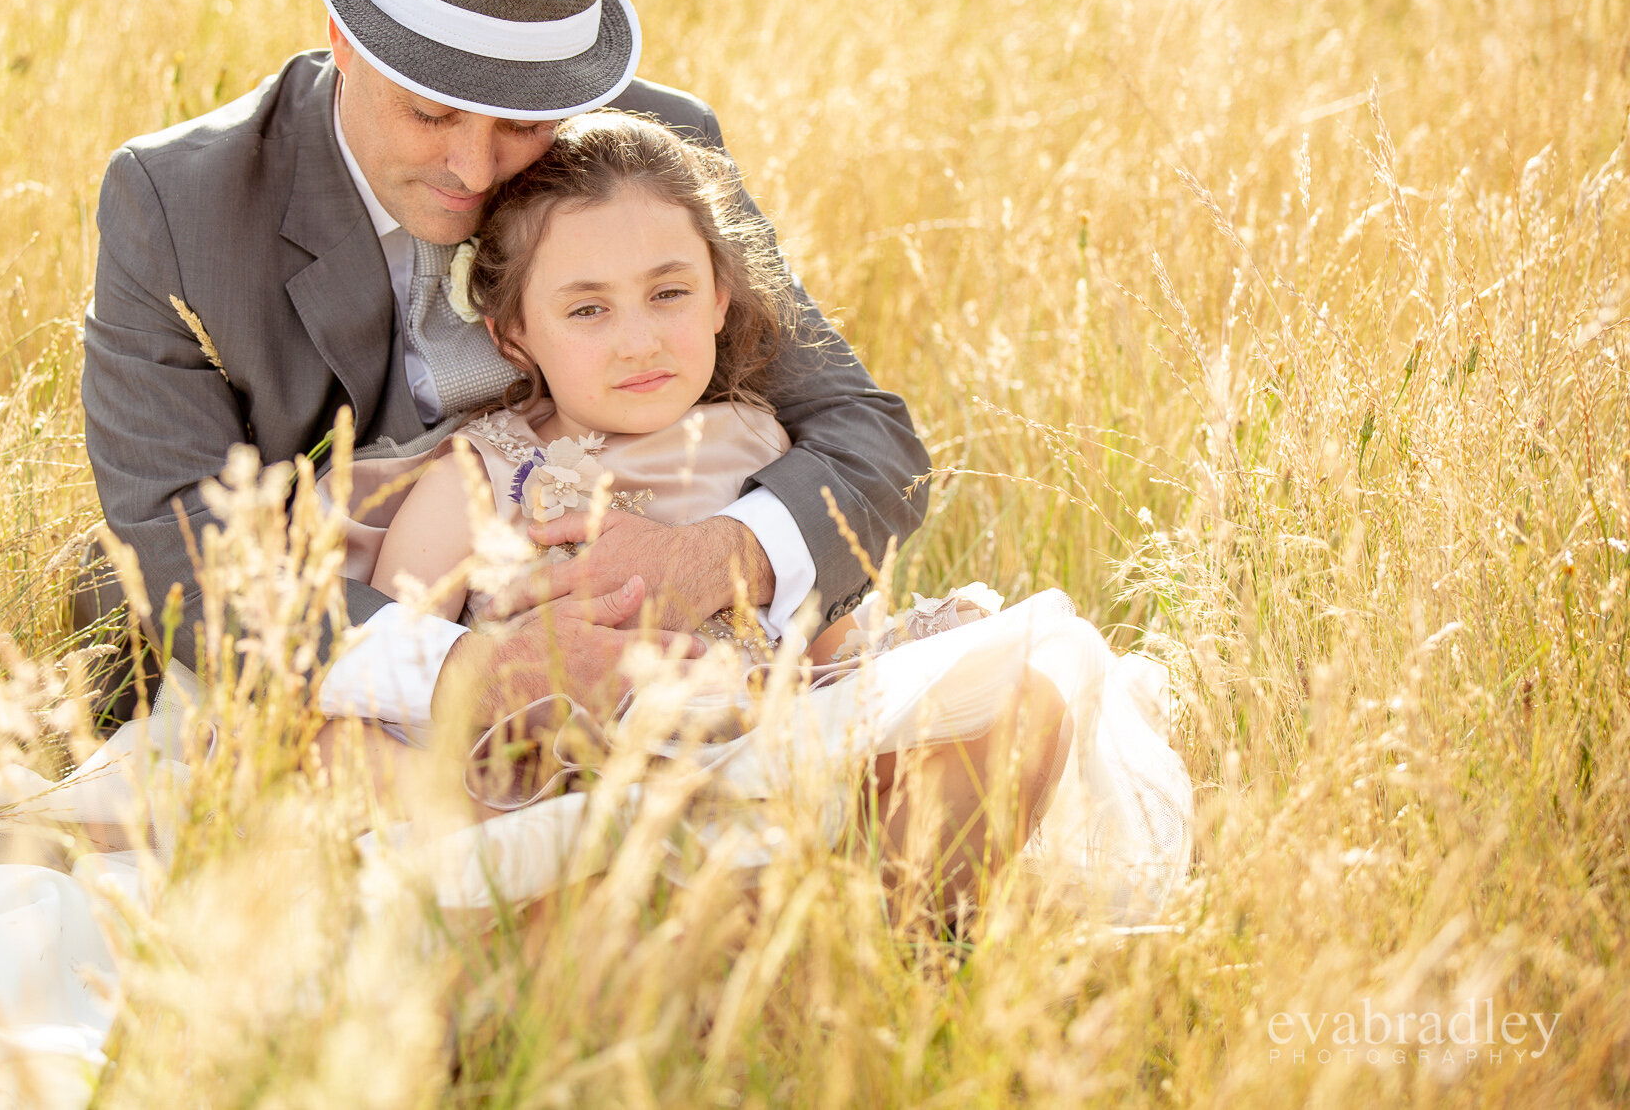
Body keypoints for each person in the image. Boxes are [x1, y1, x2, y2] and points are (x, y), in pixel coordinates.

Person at [79, 0, 929, 735]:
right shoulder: (178, 202)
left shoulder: (645, 152)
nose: (476, 169)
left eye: (524, 123)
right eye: (430, 112)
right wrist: (471, 670)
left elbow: (867, 434)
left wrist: (723, 556)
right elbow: (184, 548)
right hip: (341, 670)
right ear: (344, 42)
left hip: (661, 662)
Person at [312, 111, 1191, 917]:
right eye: (587, 309)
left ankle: (907, 939)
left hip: (757, 750)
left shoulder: (753, 443)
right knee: (613, 861)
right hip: (574, 792)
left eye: (670, 293)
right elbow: (395, 675)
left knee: (1020, 686)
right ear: (514, 336)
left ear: (721, 296)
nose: (641, 339)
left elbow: (827, 648)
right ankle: (743, 955)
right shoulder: (483, 478)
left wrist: (778, 691)